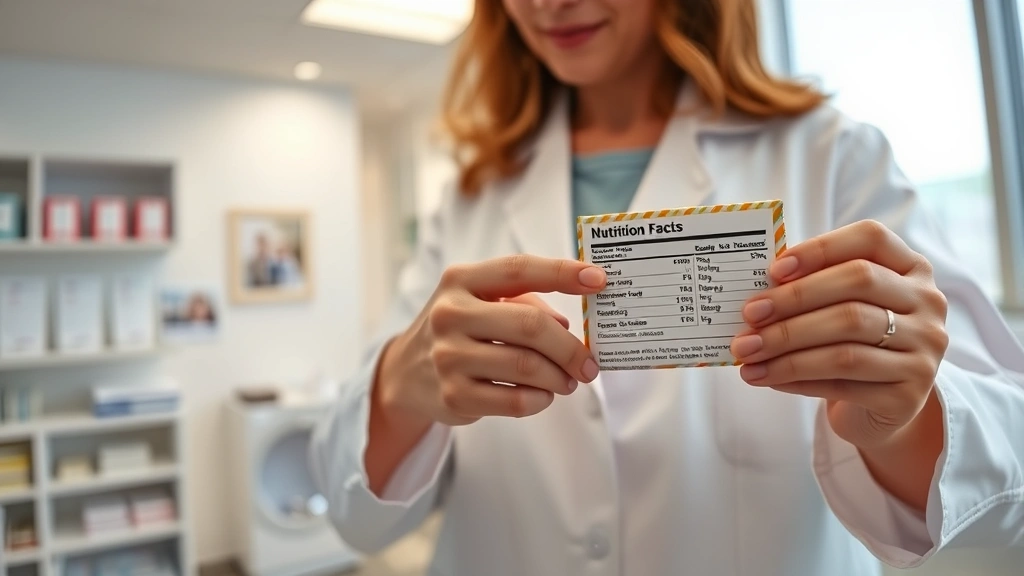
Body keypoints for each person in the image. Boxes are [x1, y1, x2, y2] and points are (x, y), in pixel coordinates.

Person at [310, 1, 1024, 574]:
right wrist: (398, 390)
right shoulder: (469, 195)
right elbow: (353, 511)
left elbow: (1009, 464)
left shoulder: (830, 157)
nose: (550, 4)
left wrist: (904, 419)